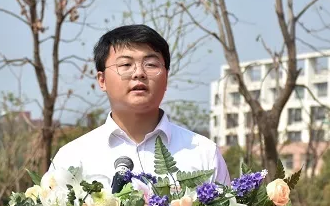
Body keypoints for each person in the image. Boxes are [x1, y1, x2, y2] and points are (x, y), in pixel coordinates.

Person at [50, 24, 230, 187]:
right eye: (125, 64)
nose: (139, 73)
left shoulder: (204, 153)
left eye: (151, 64)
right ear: (102, 80)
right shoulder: (72, 158)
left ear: (166, 77)